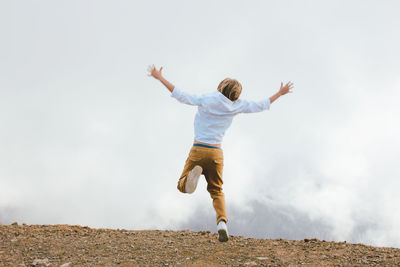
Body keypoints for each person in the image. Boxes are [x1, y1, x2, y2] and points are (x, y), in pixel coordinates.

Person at [147, 65, 293, 242]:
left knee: (181, 185)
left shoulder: (207, 98)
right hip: (216, 153)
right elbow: (260, 105)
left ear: (221, 86)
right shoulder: (237, 105)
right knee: (217, 191)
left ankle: (189, 182)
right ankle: (222, 224)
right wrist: (280, 93)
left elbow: (181, 95)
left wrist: (160, 78)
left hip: (198, 149)